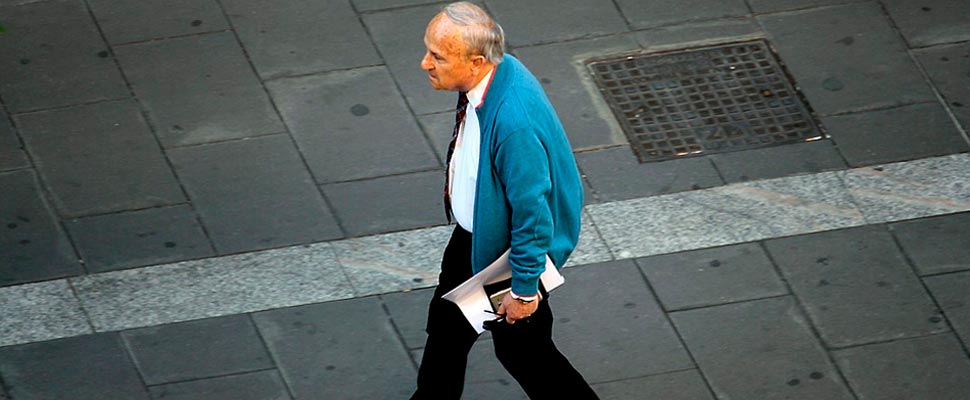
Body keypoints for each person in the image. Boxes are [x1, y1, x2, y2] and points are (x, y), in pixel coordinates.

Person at [412, 2, 599, 399]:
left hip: (506, 256)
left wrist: (525, 290)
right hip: (476, 238)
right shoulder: (497, 74)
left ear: (476, 61)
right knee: (447, 331)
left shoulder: (514, 125)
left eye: (438, 56)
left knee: (525, 352)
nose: (425, 63)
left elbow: (533, 215)